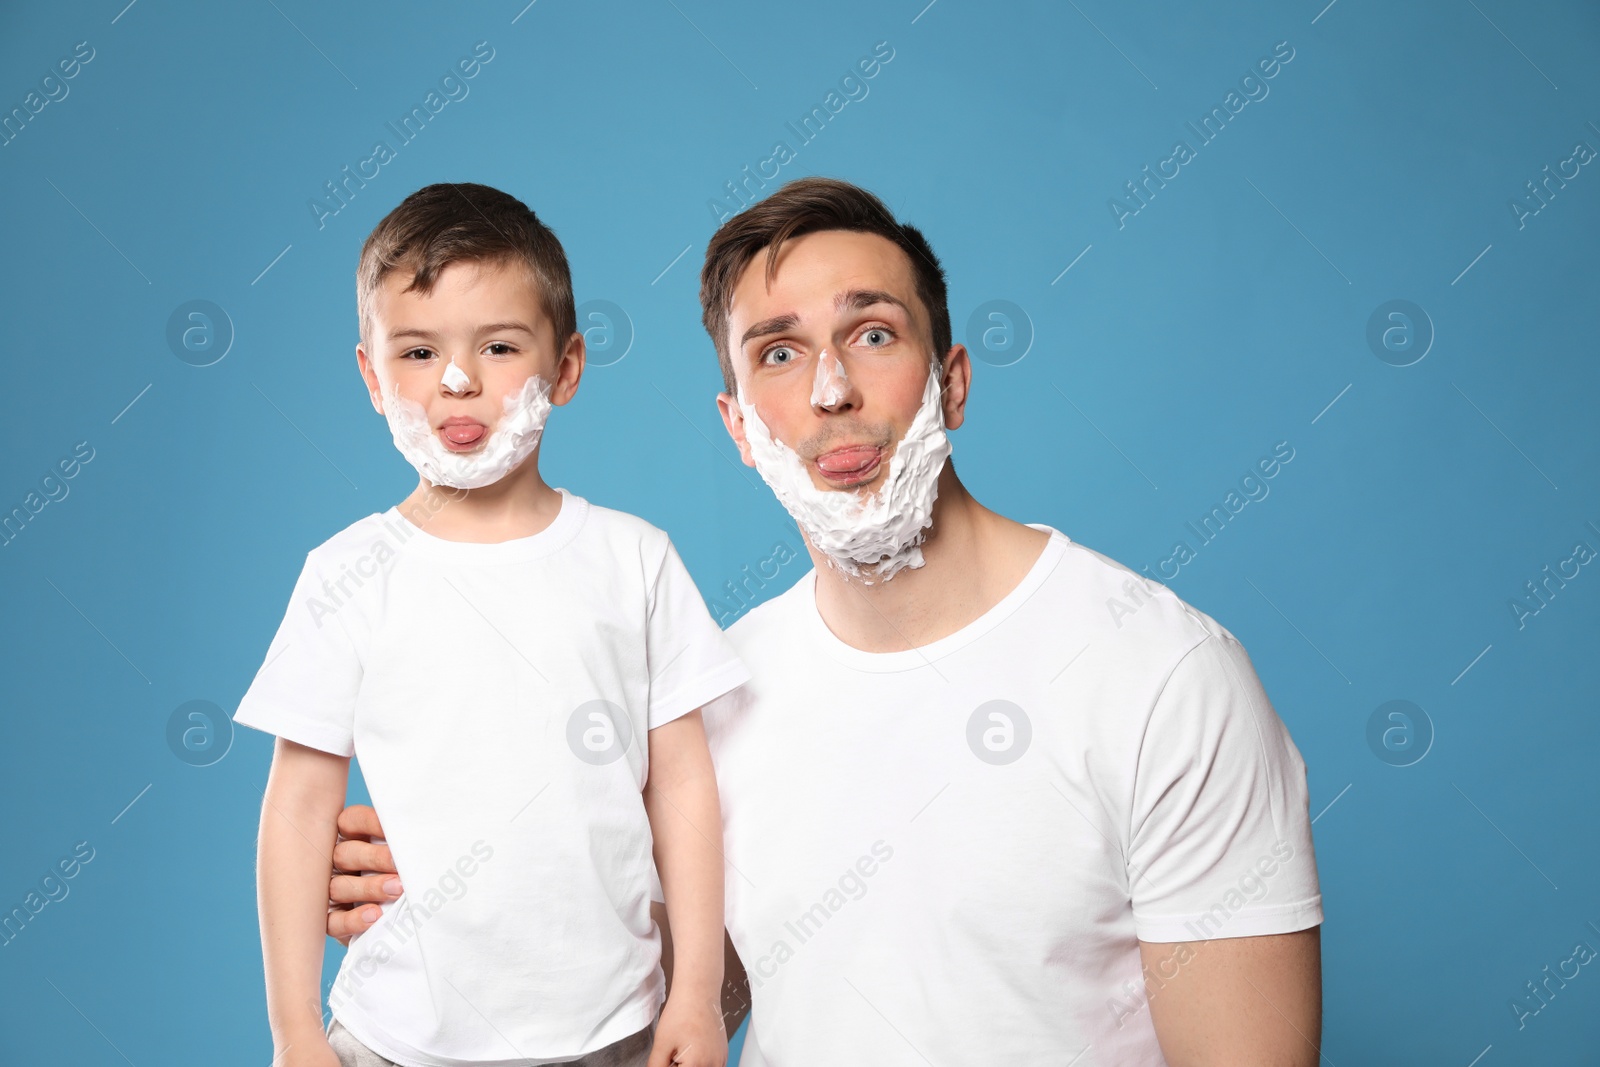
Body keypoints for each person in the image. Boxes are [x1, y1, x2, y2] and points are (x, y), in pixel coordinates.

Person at [324, 178, 1325, 1065]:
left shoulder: (1161, 676)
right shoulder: (713, 692)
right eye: (778, 352)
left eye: (873, 334)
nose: (830, 388)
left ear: (954, 381)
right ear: (740, 430)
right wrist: (439, 876)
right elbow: (637, 1003)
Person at [236, 183, 745, 1067]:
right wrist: (293, 1035)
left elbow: (685, 786)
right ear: (371, 376)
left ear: (568, 367)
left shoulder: (635, 560)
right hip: (397, 1037)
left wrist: (696, 993)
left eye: (499, 346)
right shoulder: (346, 577)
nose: (458, 380)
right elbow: (297, 808)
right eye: (420, 350)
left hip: (614, 1027)